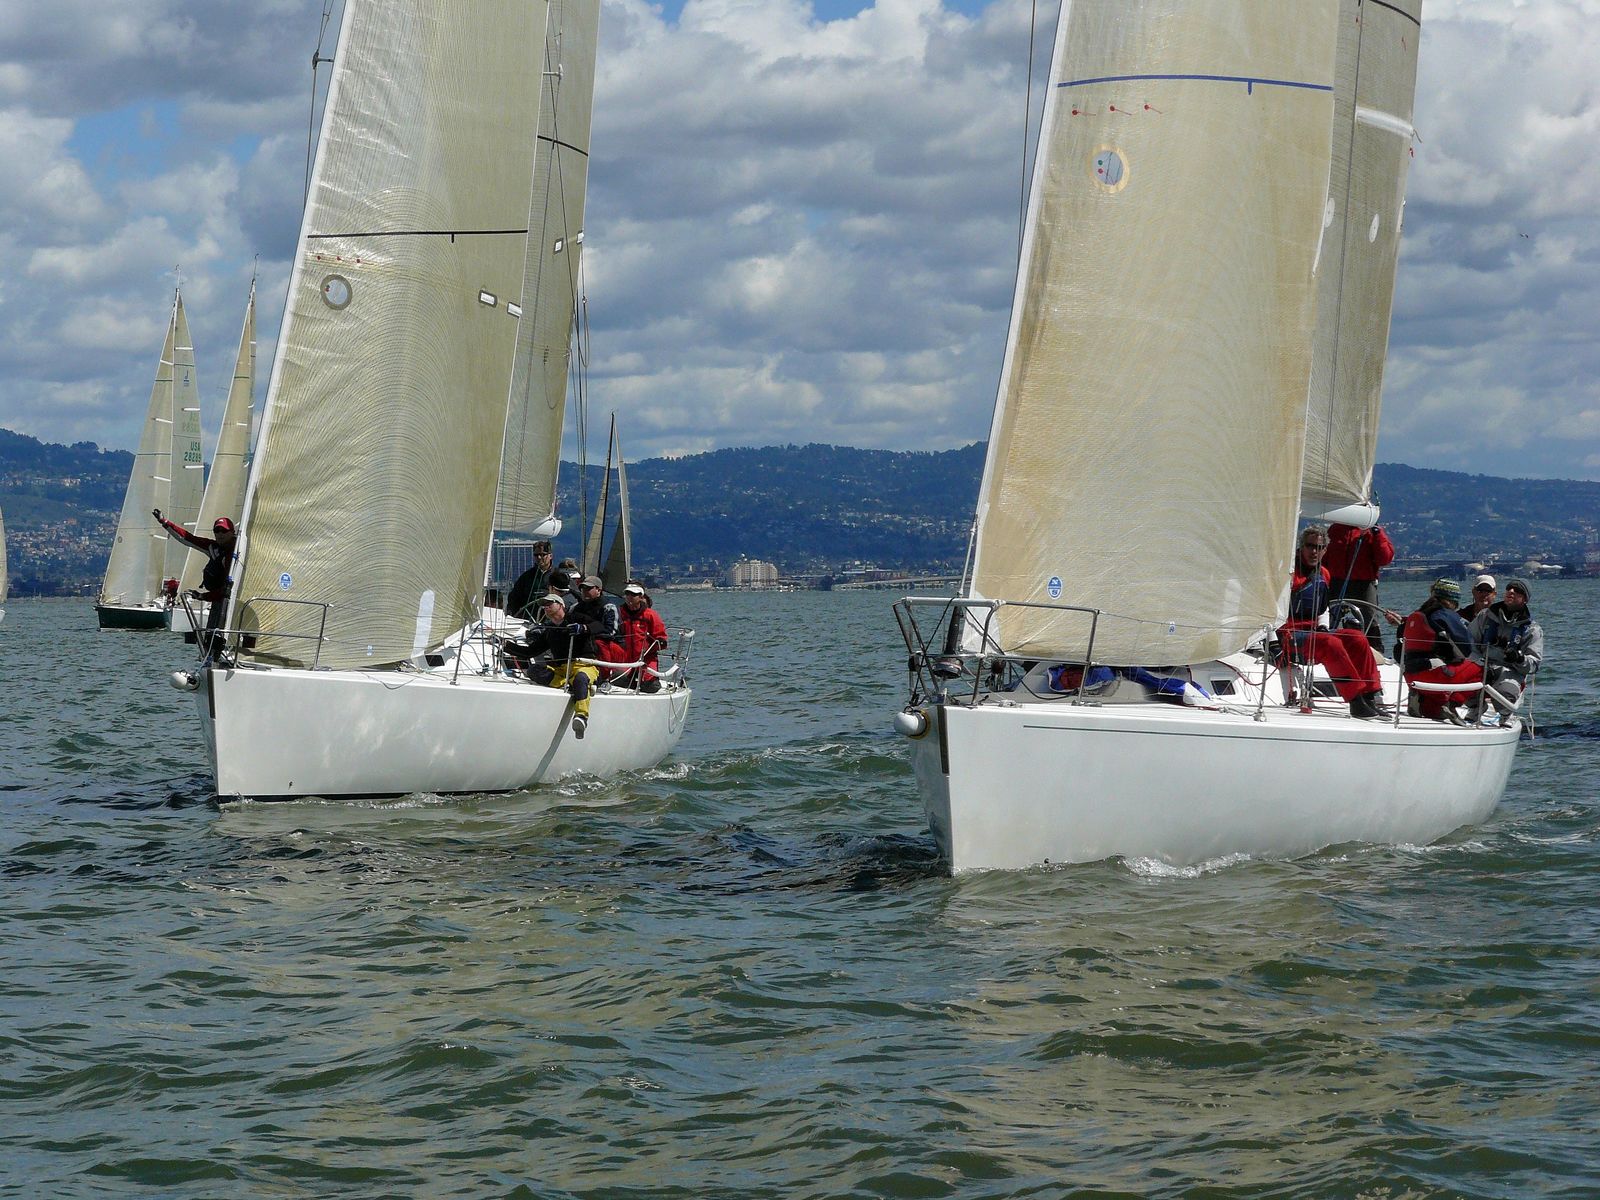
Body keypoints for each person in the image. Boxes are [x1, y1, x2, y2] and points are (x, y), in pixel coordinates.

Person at [1280, 525, 1390, 719]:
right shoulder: (1287, 574)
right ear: (1301, 547)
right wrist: (1273, 644)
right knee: (1330, 643)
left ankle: (1370, 697)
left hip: (1313, 633)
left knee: (1356, 637)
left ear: (1325, 550)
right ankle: (1355, 701)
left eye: (1319, 547)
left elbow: (1323, 608)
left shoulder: (1324, 574)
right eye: (1310, 546)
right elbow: (1270, 609)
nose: (1314, 552)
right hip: (1288, 636)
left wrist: (1323, 626)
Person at [505, 593, 604, 737]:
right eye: (544, 606)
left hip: (584, 665)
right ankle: (573, 685)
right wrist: (506, 646)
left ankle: (581, 716)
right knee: (533, 670)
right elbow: (530, 652)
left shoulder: (576, 618)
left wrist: (583, 628)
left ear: (561, 605)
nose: (546, 607)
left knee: (581, 678)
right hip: (562, 671)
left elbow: (599, 626)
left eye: (549, 604)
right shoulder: (550, 631)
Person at [153, 508, 236, 656]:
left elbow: (227, 590)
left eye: (224, 531)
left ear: (232, 532)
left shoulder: (237, 552)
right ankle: (211, 656)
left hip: (231, 601)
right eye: (217, 530)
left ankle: (221, 654)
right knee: (211, 639)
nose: (220, 534)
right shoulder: (213, 548)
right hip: (217, 600)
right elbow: (187, 538)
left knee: (219, 635)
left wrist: (203, 596)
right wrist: (164, 522)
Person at [1398, 578, 1480, 723]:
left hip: (1411, 675)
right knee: (1483, 667)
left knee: (1433, 712)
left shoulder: (1417, 615)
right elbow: (1467, 648)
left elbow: (1399, 649)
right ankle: (1453, 704)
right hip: (1436, 675)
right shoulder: (1445, 615)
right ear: (1453, 599)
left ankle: (1421, 699)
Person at [1469, 576, 1543, 715]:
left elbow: (1534, 664)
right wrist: (1479, 662)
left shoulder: (1532, 629)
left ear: (1525, 599)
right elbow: (1469, 643)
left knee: (1505, 696)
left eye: (1518, 590)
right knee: (1461, 680)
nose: (1511, 591)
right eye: (1509, 588)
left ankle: (1505, 716)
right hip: (1482, 666)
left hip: (1510, 672)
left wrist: (1518, 658)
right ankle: (1475, 708)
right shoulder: (1485, 616)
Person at [1323, 522, 1397, 657]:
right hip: (1335, 581)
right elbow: (1324, 557)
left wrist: (1377, 534)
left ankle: (1375, 651)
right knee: (1327, 617)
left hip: (1364, 583)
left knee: (1369, 618)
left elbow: (1384, 559)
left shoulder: (1372, 532)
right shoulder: (1335, 529)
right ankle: (1323, 648)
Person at [615, 581, 668, 692]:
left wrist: (654, 645)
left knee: (651, 687)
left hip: (646, 659)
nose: (630, 597)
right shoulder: (619, 613)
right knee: (616, 681)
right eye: (627, 594)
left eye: (633, 594)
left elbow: (661, 638)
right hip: (626, 660)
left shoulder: (650, 615)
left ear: (640, 597)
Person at [504, 540, 553, 621]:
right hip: (528, 621)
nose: (539, 557)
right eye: (536, 555)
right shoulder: (525, 577)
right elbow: (513, 599)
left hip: (552, 622)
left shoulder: (558, 576)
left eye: (542, 554)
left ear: (550, 556)